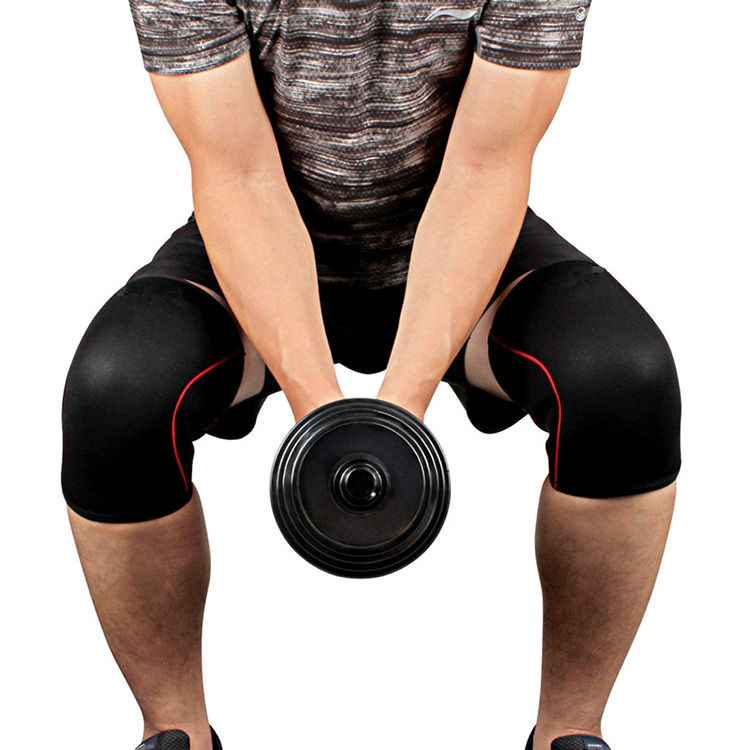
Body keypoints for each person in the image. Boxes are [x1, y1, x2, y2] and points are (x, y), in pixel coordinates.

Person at [60, 2, 681, 749]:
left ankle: (570, 732)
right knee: (118, 392)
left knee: (621, 380)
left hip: (465, 234)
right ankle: (175, 731)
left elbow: (486, 165)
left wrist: (397, 418)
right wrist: (323, 421)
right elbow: (239, 172)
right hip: (261, 233)